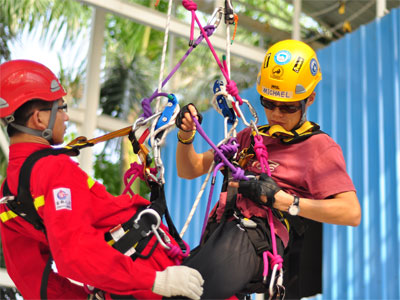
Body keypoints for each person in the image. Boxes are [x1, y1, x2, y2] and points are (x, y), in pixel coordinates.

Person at [0, 59, 204, 300]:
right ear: (38, 120)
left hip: (126, 283)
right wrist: (156, 281)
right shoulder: (54, 170)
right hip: (152, 272)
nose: (65, 117)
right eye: (61, 107)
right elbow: (72, 255)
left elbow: (31, 279)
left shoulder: (8, 195)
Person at [174, 39, 361, 299]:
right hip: (220, 235)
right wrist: (186, 136)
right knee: (161, 280)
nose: (277, 113)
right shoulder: (248, 137)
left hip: (256, 242)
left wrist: (284, 201)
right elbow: (190, 168)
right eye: (269, 103)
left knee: (186, 293)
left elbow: (351, 212)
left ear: (310, 99)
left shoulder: (318, 147)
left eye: (289, 107)